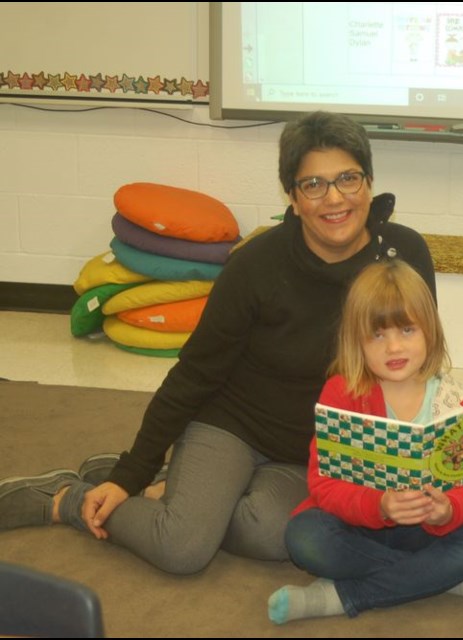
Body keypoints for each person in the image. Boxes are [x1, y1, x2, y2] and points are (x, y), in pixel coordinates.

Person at [0, 111, 436, 574]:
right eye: (313, 185)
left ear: (368, 182)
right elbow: (194, 373)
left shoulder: (405, 254)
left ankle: (183, 487)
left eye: (348, 179)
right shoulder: (255, 265)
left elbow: (416, 363)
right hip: (232, 425)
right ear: (292, 196)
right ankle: (69, 498)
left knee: (274, 537)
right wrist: (132, 471)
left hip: (314, 450)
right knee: (182, 548)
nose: (334, 199)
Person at [268, 259, 463, 623]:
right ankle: (443, 578)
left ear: (430, 331)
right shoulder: (342, 393)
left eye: (407, 330)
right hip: (357, 527)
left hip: (426, 531)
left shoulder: (457, 401)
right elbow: (323, 483)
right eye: (377, 335)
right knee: (304, 537)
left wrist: (447, 510)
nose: (394, 347)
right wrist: (379, 505)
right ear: (356, 342)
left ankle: (344, 595)